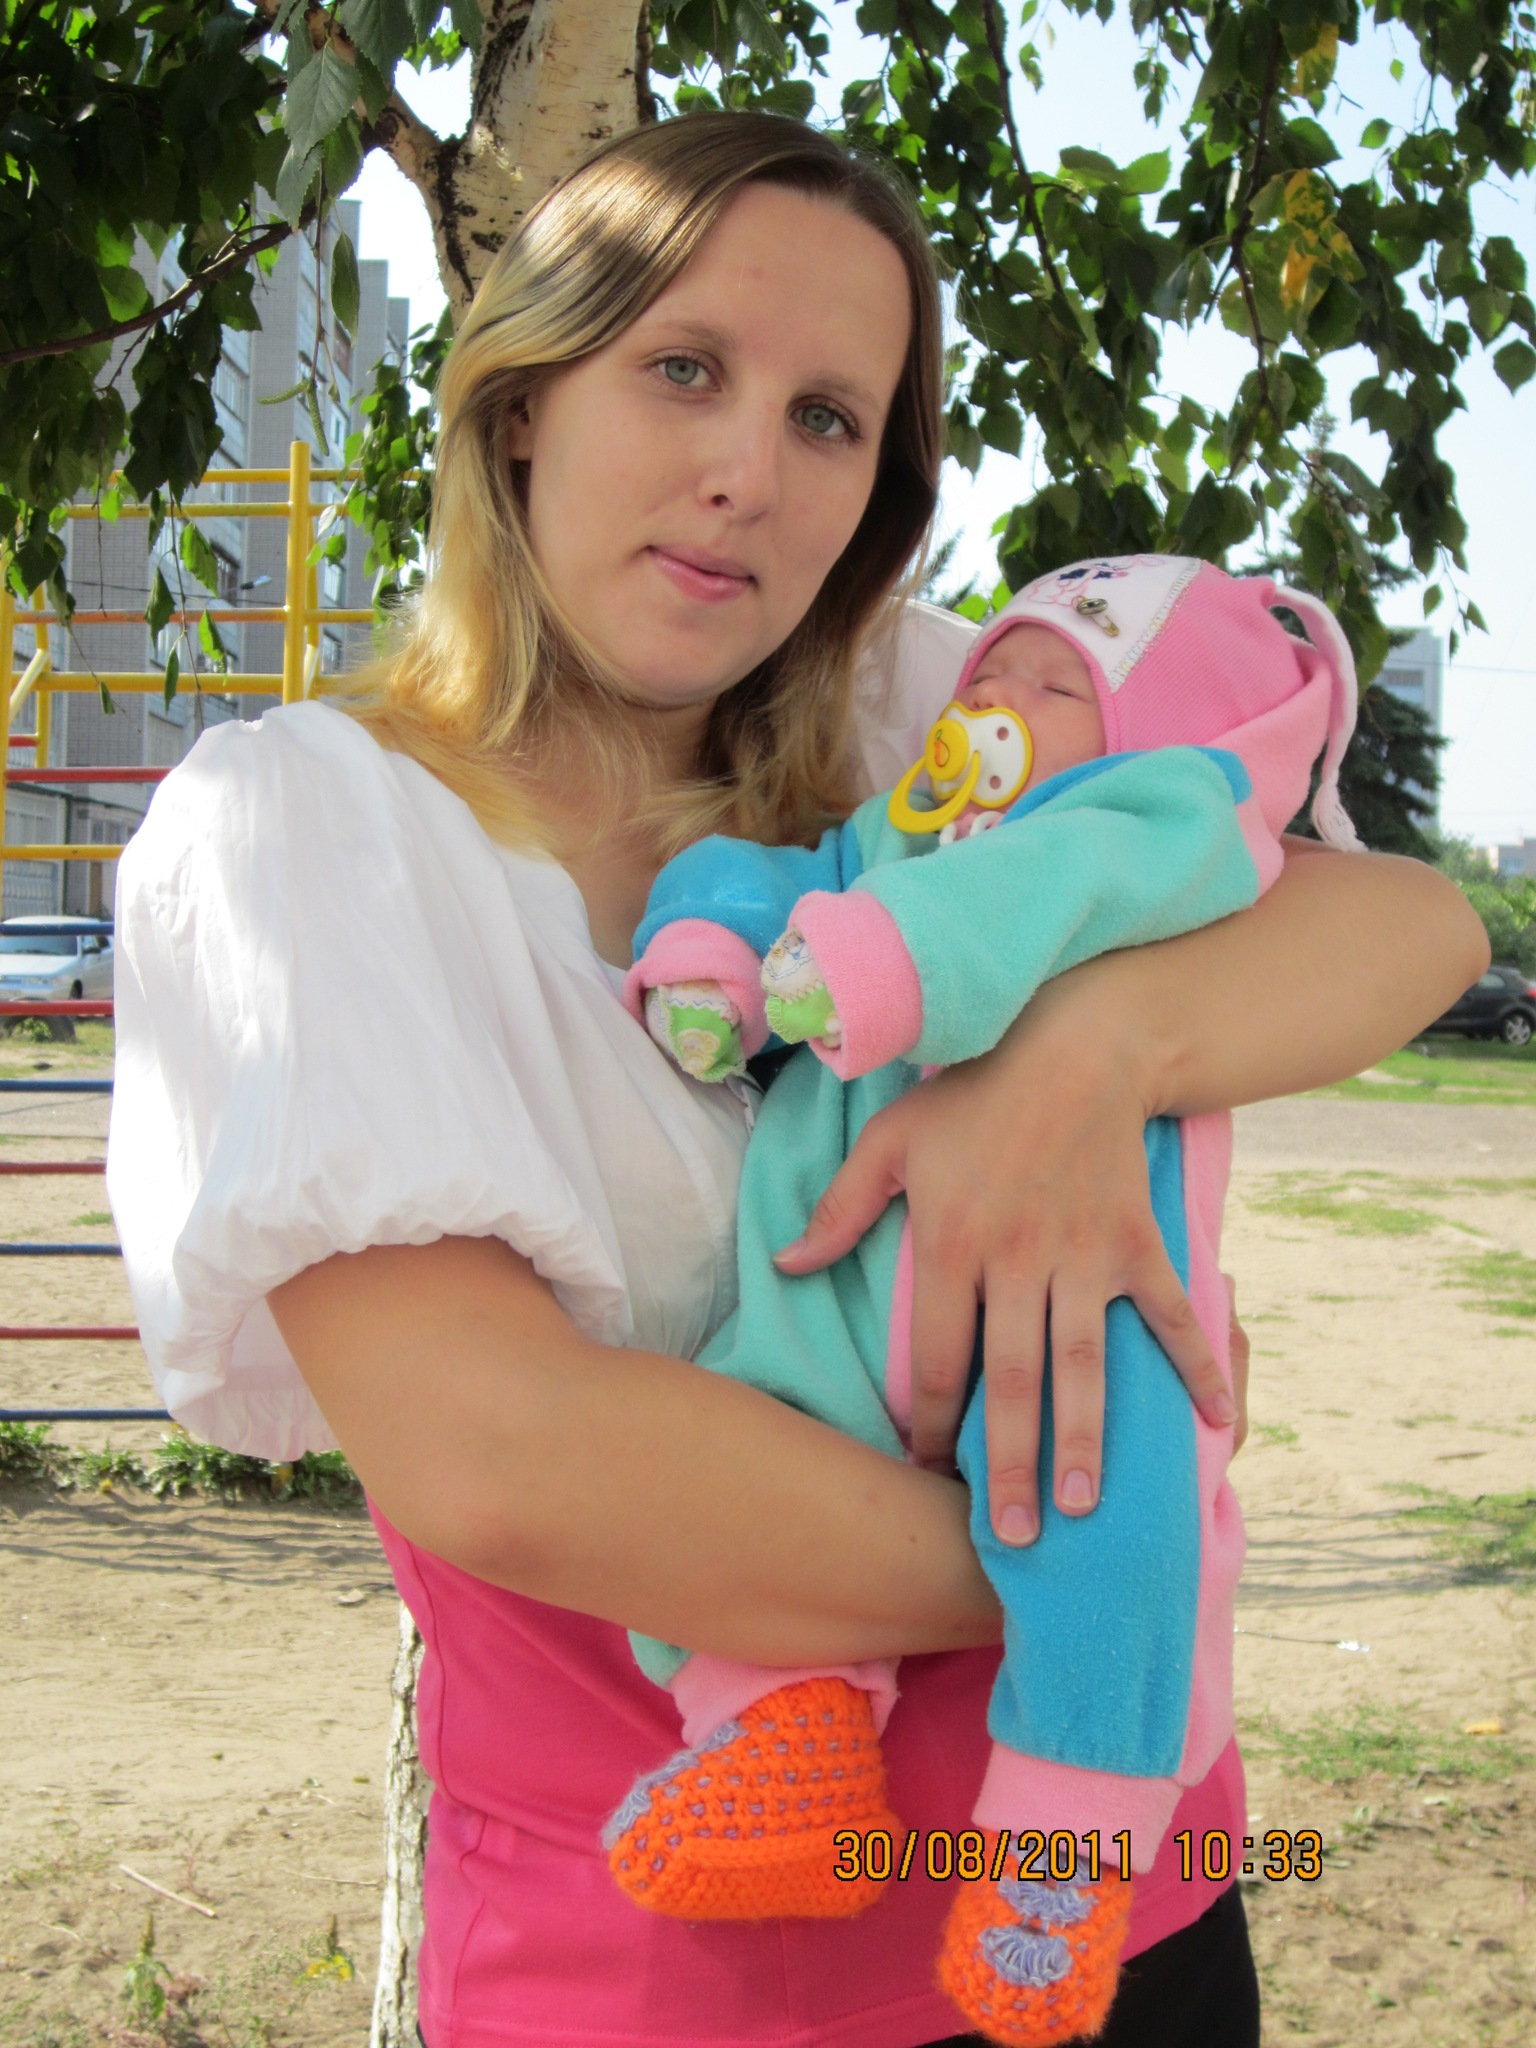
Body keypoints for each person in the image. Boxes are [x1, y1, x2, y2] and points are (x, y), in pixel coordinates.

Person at [106, 113, 1487, 2048]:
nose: (749, 474)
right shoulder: (300, 838)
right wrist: (1114, 1559)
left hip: (1137, 1924)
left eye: (830, 420)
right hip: (674, 1977)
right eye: (684, 368)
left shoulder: (925, 720)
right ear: (524, 400)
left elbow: (1410, 925)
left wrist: (1084, 1054)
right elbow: (503, 1458)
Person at [612, 555, 1362, 2047]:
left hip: (1083, 1296)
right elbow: (797, 878)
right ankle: (784, 1735)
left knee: (1104, 1518)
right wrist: (716, 955)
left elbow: (1045, 893)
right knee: (747, 1432)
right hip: (835, 1274)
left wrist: (877, 954)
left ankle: (1060, 1855)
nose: (1000, 696)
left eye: (1056, 682)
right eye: (992, 672)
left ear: (1160, 726)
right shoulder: (909, 827)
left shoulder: (1161, 818)